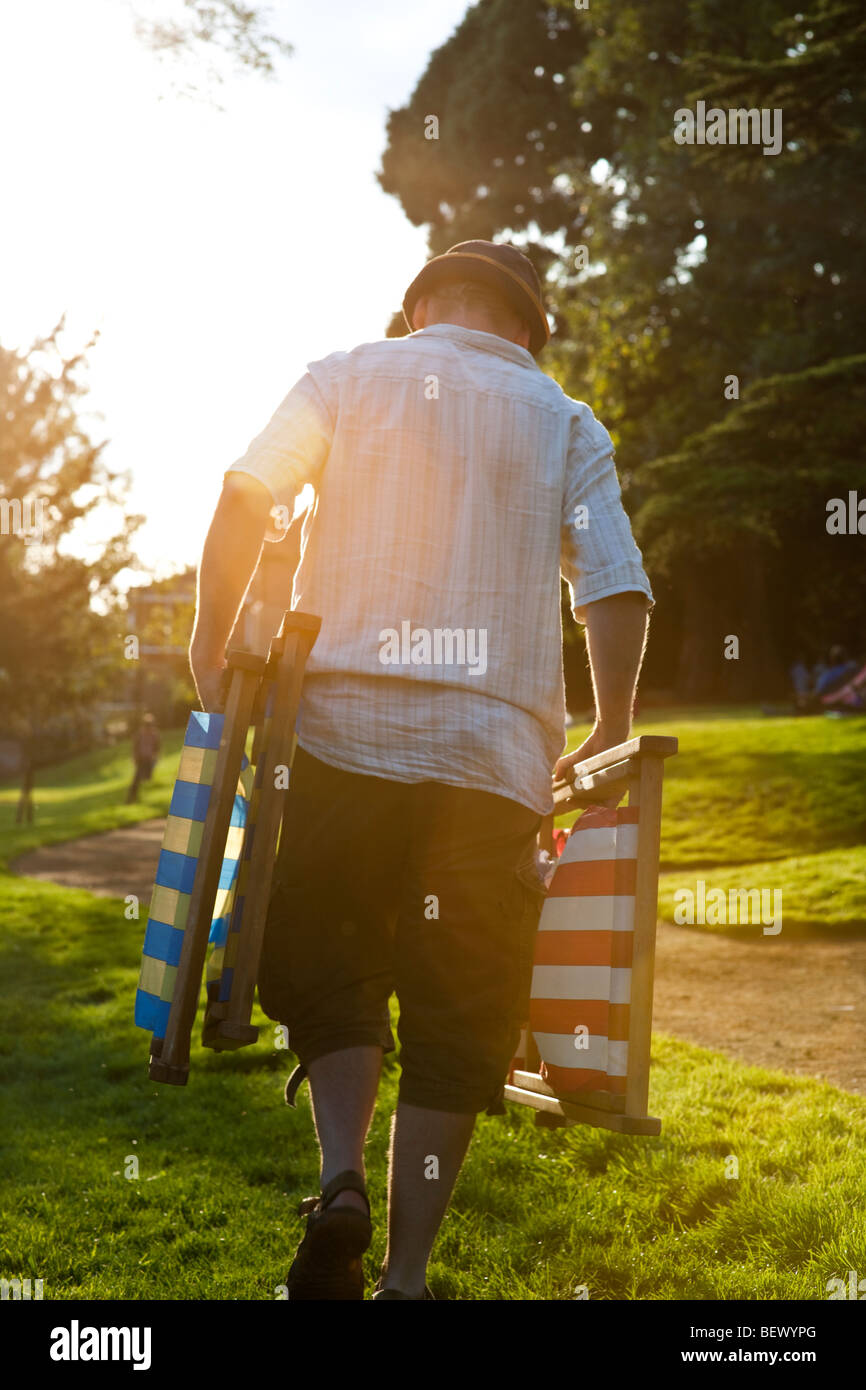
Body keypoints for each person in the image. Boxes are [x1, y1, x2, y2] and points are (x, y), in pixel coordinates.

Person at [189, 239, 653, 1301]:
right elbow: (615, 587)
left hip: (340, 735)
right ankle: (403, 1277)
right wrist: (608, 726)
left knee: (334, 969)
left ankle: (341, 1179)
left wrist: (208, 645)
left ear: (418, 311)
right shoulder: (566, 420)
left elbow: (243, 494)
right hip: (492, 763)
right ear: (526, 328)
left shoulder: (347, 376)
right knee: (457, 1017)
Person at [126, 714, 160, 803]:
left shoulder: (154, 734)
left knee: (147, 778)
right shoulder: (139, 734)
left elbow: (157, 747)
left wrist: (155, 757)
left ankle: (145, 797)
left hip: (149, 759)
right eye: (146, 724)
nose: (148, 727)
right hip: (141, 759)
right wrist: (134, 757)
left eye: (149, 724)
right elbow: (135, 747)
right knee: (137, 779)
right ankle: (131, 798)